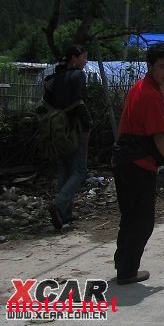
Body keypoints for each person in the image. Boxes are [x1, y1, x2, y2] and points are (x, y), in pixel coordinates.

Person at [112, 42, 164, 285]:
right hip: (137, 163)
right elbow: (159, 135)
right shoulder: (150, 94)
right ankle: (127, 271)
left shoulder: (139, 87)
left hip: (123, 159)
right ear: (150, 66)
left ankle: (123, 266)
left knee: (130, 217)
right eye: (162, 66)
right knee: (142, 221)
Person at [46, 45, 93, 231]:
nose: (86, 61)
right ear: (74, 58)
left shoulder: (55, 78)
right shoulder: (78, 76)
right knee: (80, 169)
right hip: (74, 126)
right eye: (84, 57)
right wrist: (88, 124)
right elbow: (79, 102)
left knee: (64, 169)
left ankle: (64, 214)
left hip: (56, 127)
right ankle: (58, 204)